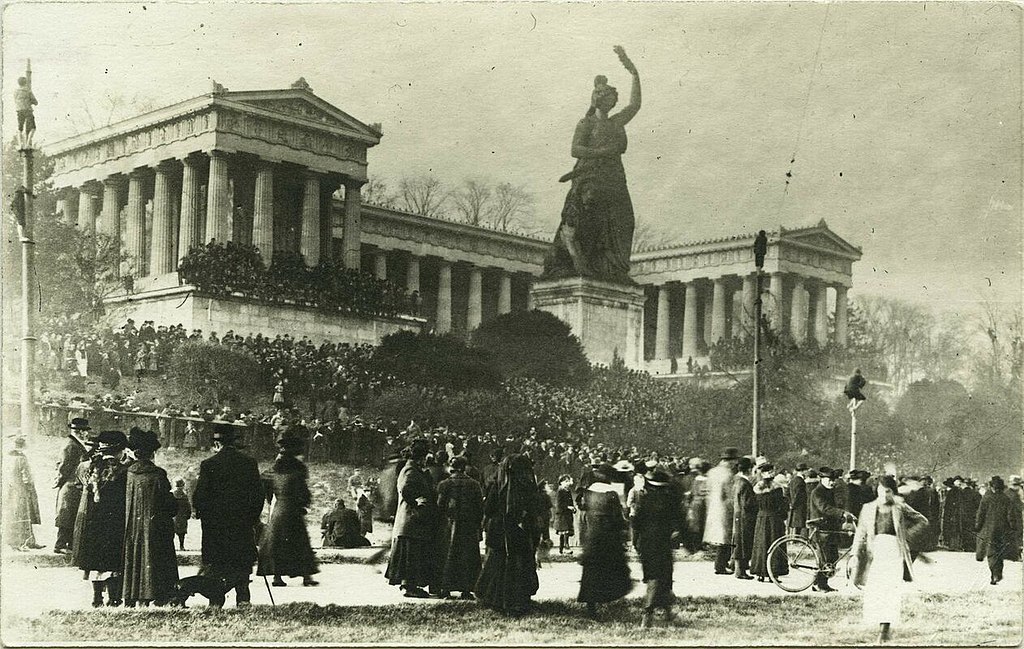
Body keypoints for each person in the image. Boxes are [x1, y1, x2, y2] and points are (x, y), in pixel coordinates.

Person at [544, 45, 640, 283]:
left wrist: (634, 73)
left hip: (614, 177)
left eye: (612, 98)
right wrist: (602, 152)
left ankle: (612, 267)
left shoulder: (616, 122)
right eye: (606, 97)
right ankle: (576, 257)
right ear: (597, 99)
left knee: (625, 220)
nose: (610, 101)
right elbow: (575, 150)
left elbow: (635, 105)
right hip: (591, 176)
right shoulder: (586, 123)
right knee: (589, 216)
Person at [192, 424, 265, 607]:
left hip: (215, 527)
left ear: (217, 444)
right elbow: (258, 495)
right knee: (241, 561)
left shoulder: (209, 464)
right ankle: (243, 599)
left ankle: (216, 601)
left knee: (217, 563)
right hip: (241, 524)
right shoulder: (249, 463)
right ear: (234, 442)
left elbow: (199, 497)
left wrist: (206, 516)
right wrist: (252, 518)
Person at [851, 475, 929, 644]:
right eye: (881, 491)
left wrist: (905, 536)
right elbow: (860, 533)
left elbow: (922, 521)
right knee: (876, 590)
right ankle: (879, 623)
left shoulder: (899, 507)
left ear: (893, 492)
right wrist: (854, 555)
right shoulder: (868, 508)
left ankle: (884, 629)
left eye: (888, 491)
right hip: (875, 554)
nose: (885, 495)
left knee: (890, 590)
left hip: (894, 553)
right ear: (876, 491)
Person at [476, 453, 542, 617]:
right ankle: (518, 600)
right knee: (519, 564)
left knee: (498, 564)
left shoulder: (497, 486)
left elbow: (488, 509)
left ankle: (496, 599)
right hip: (520, 532)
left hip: (500, 531)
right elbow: (535, 509)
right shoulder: (528, 487)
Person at [122, 429, 179, 607]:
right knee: (157, 559)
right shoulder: (158, 474)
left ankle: (133, 596)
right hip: (156, 527)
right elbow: (169, 505)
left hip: (133, 527)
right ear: (152, 453)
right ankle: (159, 596)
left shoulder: (128, 473)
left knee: (135, 557)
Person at [75, 430, 129, 607]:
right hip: (114, 520)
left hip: (92, 520)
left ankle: (97, 597)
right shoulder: (122, 470)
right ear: (119, 450)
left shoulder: (89, 466)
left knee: (96, 559)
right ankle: (113, 598)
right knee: (112, 559)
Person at [258, 434, 319, 587]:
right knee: (300, 542)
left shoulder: (273, 470)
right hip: (293, 509)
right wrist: (304, 505)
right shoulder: (298, 471)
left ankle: (277, 577)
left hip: (279, 510)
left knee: (277, 542)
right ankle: (306, 576)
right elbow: (304, 493)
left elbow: (264, 483)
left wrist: (270, 498)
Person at [385, 439, 439, 598]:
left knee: (413, 554)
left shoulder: (415, 469)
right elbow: (405, 489)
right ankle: (409, 586)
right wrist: (416, 502)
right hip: (411, 519)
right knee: (411, 554)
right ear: (420, 456)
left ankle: (410, 585)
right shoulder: (410, 470)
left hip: (412, 520)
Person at [577, 464, 632, 618]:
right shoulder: (611, 494)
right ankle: (607, 597)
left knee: (591, 571)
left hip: (592, 536)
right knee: (612, 568)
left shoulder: (588, 492)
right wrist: (624, 527)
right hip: (608, 537)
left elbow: (582, 508)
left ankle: (591, 606)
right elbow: (617, 517)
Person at [632, 467, 682, 628]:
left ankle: (666, 612)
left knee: (656, 578)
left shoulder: (644, 500)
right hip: (662, 545)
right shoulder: (670, 501)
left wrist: (637, 540)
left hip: (646, 545)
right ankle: (647, 614)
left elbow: (635, 522)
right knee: (661, 578)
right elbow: (679, 521)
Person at [435, 455, 484, 599]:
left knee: (447, 555)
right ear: (464, 467)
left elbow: (439, 507)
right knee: (468, 556)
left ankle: (445, 589)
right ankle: (466, 590)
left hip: (449, 526)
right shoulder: (474, 484)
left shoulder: (444, 484)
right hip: (468, 527)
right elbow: (479, 509)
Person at [808, 467, 854, 592]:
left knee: (833, 557)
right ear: (821, 479)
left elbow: (836, 507)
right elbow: (825, 508)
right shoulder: (817, 492)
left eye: (833, 480)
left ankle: (821, 583)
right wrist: (842, 513)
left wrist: (845, 514)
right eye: (829, 480)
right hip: (820, 528)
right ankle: (819, 584)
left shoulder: (830, 491)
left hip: (829, 528)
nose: (832, 482)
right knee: (825, 557)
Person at [54, 418, 90, 553]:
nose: (86, 434)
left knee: (71, 514)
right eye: (84, 431)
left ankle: (69, 545)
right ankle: (60, 545)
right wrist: (60, 480)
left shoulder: (75, 444)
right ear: (79, 432)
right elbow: (64, 467)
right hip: (70, 485)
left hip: (73, 484)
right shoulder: (71, 445)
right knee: (66, 515)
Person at [975, 476, 1019, 586]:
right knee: (1000, 552)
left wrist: (978, 526)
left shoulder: (986, 498)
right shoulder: (1006, 499)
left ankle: (994, 574)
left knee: (991, 552)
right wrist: (1013, 527)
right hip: (1003, 530)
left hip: (989, 530)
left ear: (991, 487)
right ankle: (998, 573)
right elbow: (1011, 515)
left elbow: (980, 514)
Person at [704, 447, 740, 575]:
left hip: (713, 507)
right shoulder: (728, 474)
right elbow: (729, 494)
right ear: (731, 460)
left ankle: (721, 564)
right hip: (724, 507)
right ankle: (720, 565)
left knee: (720, 537)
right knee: (726, 537)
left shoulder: (712, 472)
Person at [4, 437, 43, 551]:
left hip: (11, 489)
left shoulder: (8, 457)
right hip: (21, 490)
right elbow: (26, 477)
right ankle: (21, 543)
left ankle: (26, 541)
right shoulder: (21, 458)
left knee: (14, 514)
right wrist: (30, 486)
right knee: (23, 515)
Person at [751, 466, 789, 582]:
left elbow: (753, 505)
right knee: (775, 544)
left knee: (761, 544)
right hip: (774, 519)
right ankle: (774, 573)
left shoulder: (757, 488)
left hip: (761, 518)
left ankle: (760, 573)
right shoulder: (777, 488)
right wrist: (783, 516)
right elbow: (782, 506)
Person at [731, 457, 758, 580]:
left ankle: (737, 568)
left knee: (739, 542)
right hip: (745, 516)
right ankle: (740, 571)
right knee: (744, 543)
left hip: (738, 514)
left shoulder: (736, 480)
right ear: (749, 469)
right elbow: (748, 503)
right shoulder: (745, 483)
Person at [554, 475, 577, 555]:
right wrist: (568, 507)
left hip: (567, 515)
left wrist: (573, 508)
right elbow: (559, 504)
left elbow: (570, 502)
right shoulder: (560, 491)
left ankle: (562, 549)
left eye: (568, 481)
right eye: (566, 481)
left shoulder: (567, 491)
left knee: (566, 533)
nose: (567, 483)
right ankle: (565, 548)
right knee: (564, 532)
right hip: (562, 515)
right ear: (561, 483)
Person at [14, 75, 37, 148]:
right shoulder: (28, 90)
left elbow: (15, 100)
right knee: (33, 127)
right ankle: (27, 144)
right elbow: (35, 102)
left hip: (19, 110)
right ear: (25, 83)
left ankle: (20, 145)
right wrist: (30, 102)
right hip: (28, 110)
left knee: (20, 127)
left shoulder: (15, 91)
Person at [788, 463, 809, 537]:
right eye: (806, 470)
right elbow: (798, 495)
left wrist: (791, 503)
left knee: (795, 526)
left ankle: (794, 539)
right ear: (802, 471)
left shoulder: (793, 480)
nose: (807, 472)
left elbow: (787, 493)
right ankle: (796, 540)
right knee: (799, 526)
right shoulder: (801, 481)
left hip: (794, 507)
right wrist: (794, 504)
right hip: (799, 507)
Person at [171, 478, 192, 550]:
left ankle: (172, 547)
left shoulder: (172, 494)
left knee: (172, 531)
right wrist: (188, 514)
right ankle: (181, 546)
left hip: (173, 516)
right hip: (182, 515)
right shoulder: (184, 494)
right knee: (182, 533)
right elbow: (188, 506)